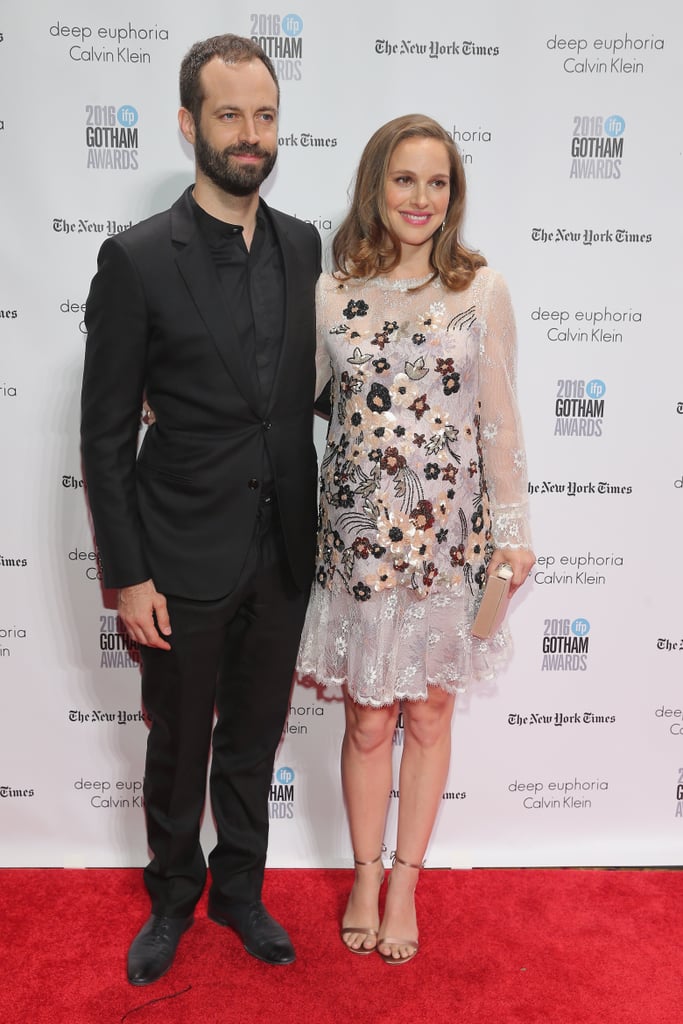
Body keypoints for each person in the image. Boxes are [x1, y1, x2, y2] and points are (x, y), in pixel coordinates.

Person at [81, 34, 320, 985]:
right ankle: (173, 895)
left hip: (283, 548)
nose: (250, 134)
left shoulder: (305, 245)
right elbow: (104, 436)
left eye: (264, 115)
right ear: (189, 125)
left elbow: (310, 392)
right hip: (179, 554)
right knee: (180, 742)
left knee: (257, 735)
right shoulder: (137, 260)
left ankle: (240, 889)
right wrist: (127, 573)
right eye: (229, 115)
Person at [297, 114, 535, 965]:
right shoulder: (332, 293)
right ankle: (363, 874)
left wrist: (511, 532)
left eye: (437, 182)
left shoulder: (481, 290)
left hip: (447, 546)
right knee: (366, 722)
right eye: (405, 180)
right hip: (359, 548)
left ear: (453, 194)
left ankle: (404, 881)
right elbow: (280, 398)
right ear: (376, 186)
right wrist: (163, 402)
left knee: (428, 716)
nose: (420, 199)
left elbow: (499, 425)